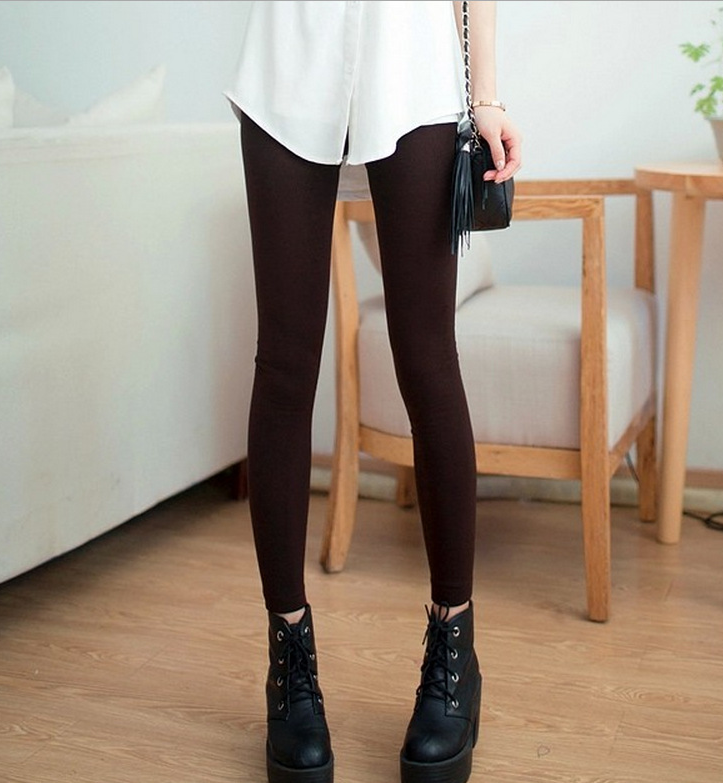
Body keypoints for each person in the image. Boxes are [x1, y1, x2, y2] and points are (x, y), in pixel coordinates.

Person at [225, 2, 521, 782]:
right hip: (290, 54)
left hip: (411, 55)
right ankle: (289, 661)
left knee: (426, 357)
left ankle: (454, 650)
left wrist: (485, 94)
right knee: (285, 363)